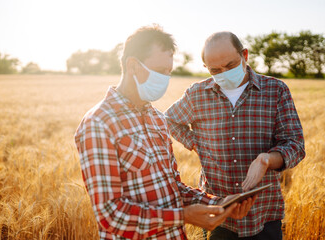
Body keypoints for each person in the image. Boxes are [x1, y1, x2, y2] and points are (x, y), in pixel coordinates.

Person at [74, 26, 256, 240]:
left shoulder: (158, 119)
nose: (164, 79)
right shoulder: (99, 123)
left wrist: (220, 204)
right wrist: (183, 216)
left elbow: (173, 187)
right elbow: (112, 216)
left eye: (168, 72)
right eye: (159, 71)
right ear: (133, 65)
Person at [165, 31, 305, 240]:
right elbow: (169, 119)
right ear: (206, 68)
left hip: (264, 212)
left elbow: (295, 144)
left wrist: (266, 159)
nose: (223, 72)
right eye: (215, 70)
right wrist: (196, 143)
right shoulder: (197, 94)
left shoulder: (276, 90)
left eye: (230, 66)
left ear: (245, 55)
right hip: (218, 210)